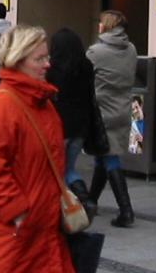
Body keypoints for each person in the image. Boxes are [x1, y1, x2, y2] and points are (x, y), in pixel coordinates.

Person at [0, 24, 74, 272]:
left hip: (42, 229)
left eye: (47, 57)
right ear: (17, 61)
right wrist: (18, 212)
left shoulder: (41, 102)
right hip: (14, 234)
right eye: (39, 59)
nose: (47, 64)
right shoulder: (2, 105)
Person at [86, 9, 137, 228]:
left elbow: (85, 78)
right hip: (123, 108)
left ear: (106, 25)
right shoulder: (131, 49)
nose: (98, 25)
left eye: (100, 22)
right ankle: (91, 201)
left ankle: (126, 210)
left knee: (109, 158)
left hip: (102, 110)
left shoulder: (95, 52)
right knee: (104, 154)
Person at [47, 27, 97, 215]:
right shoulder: (86, 66)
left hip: (59, 124)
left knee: (55, 169)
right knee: (70, 169)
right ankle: (85, 199)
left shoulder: (53, 69)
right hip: (81, 125)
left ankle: (60, 208)